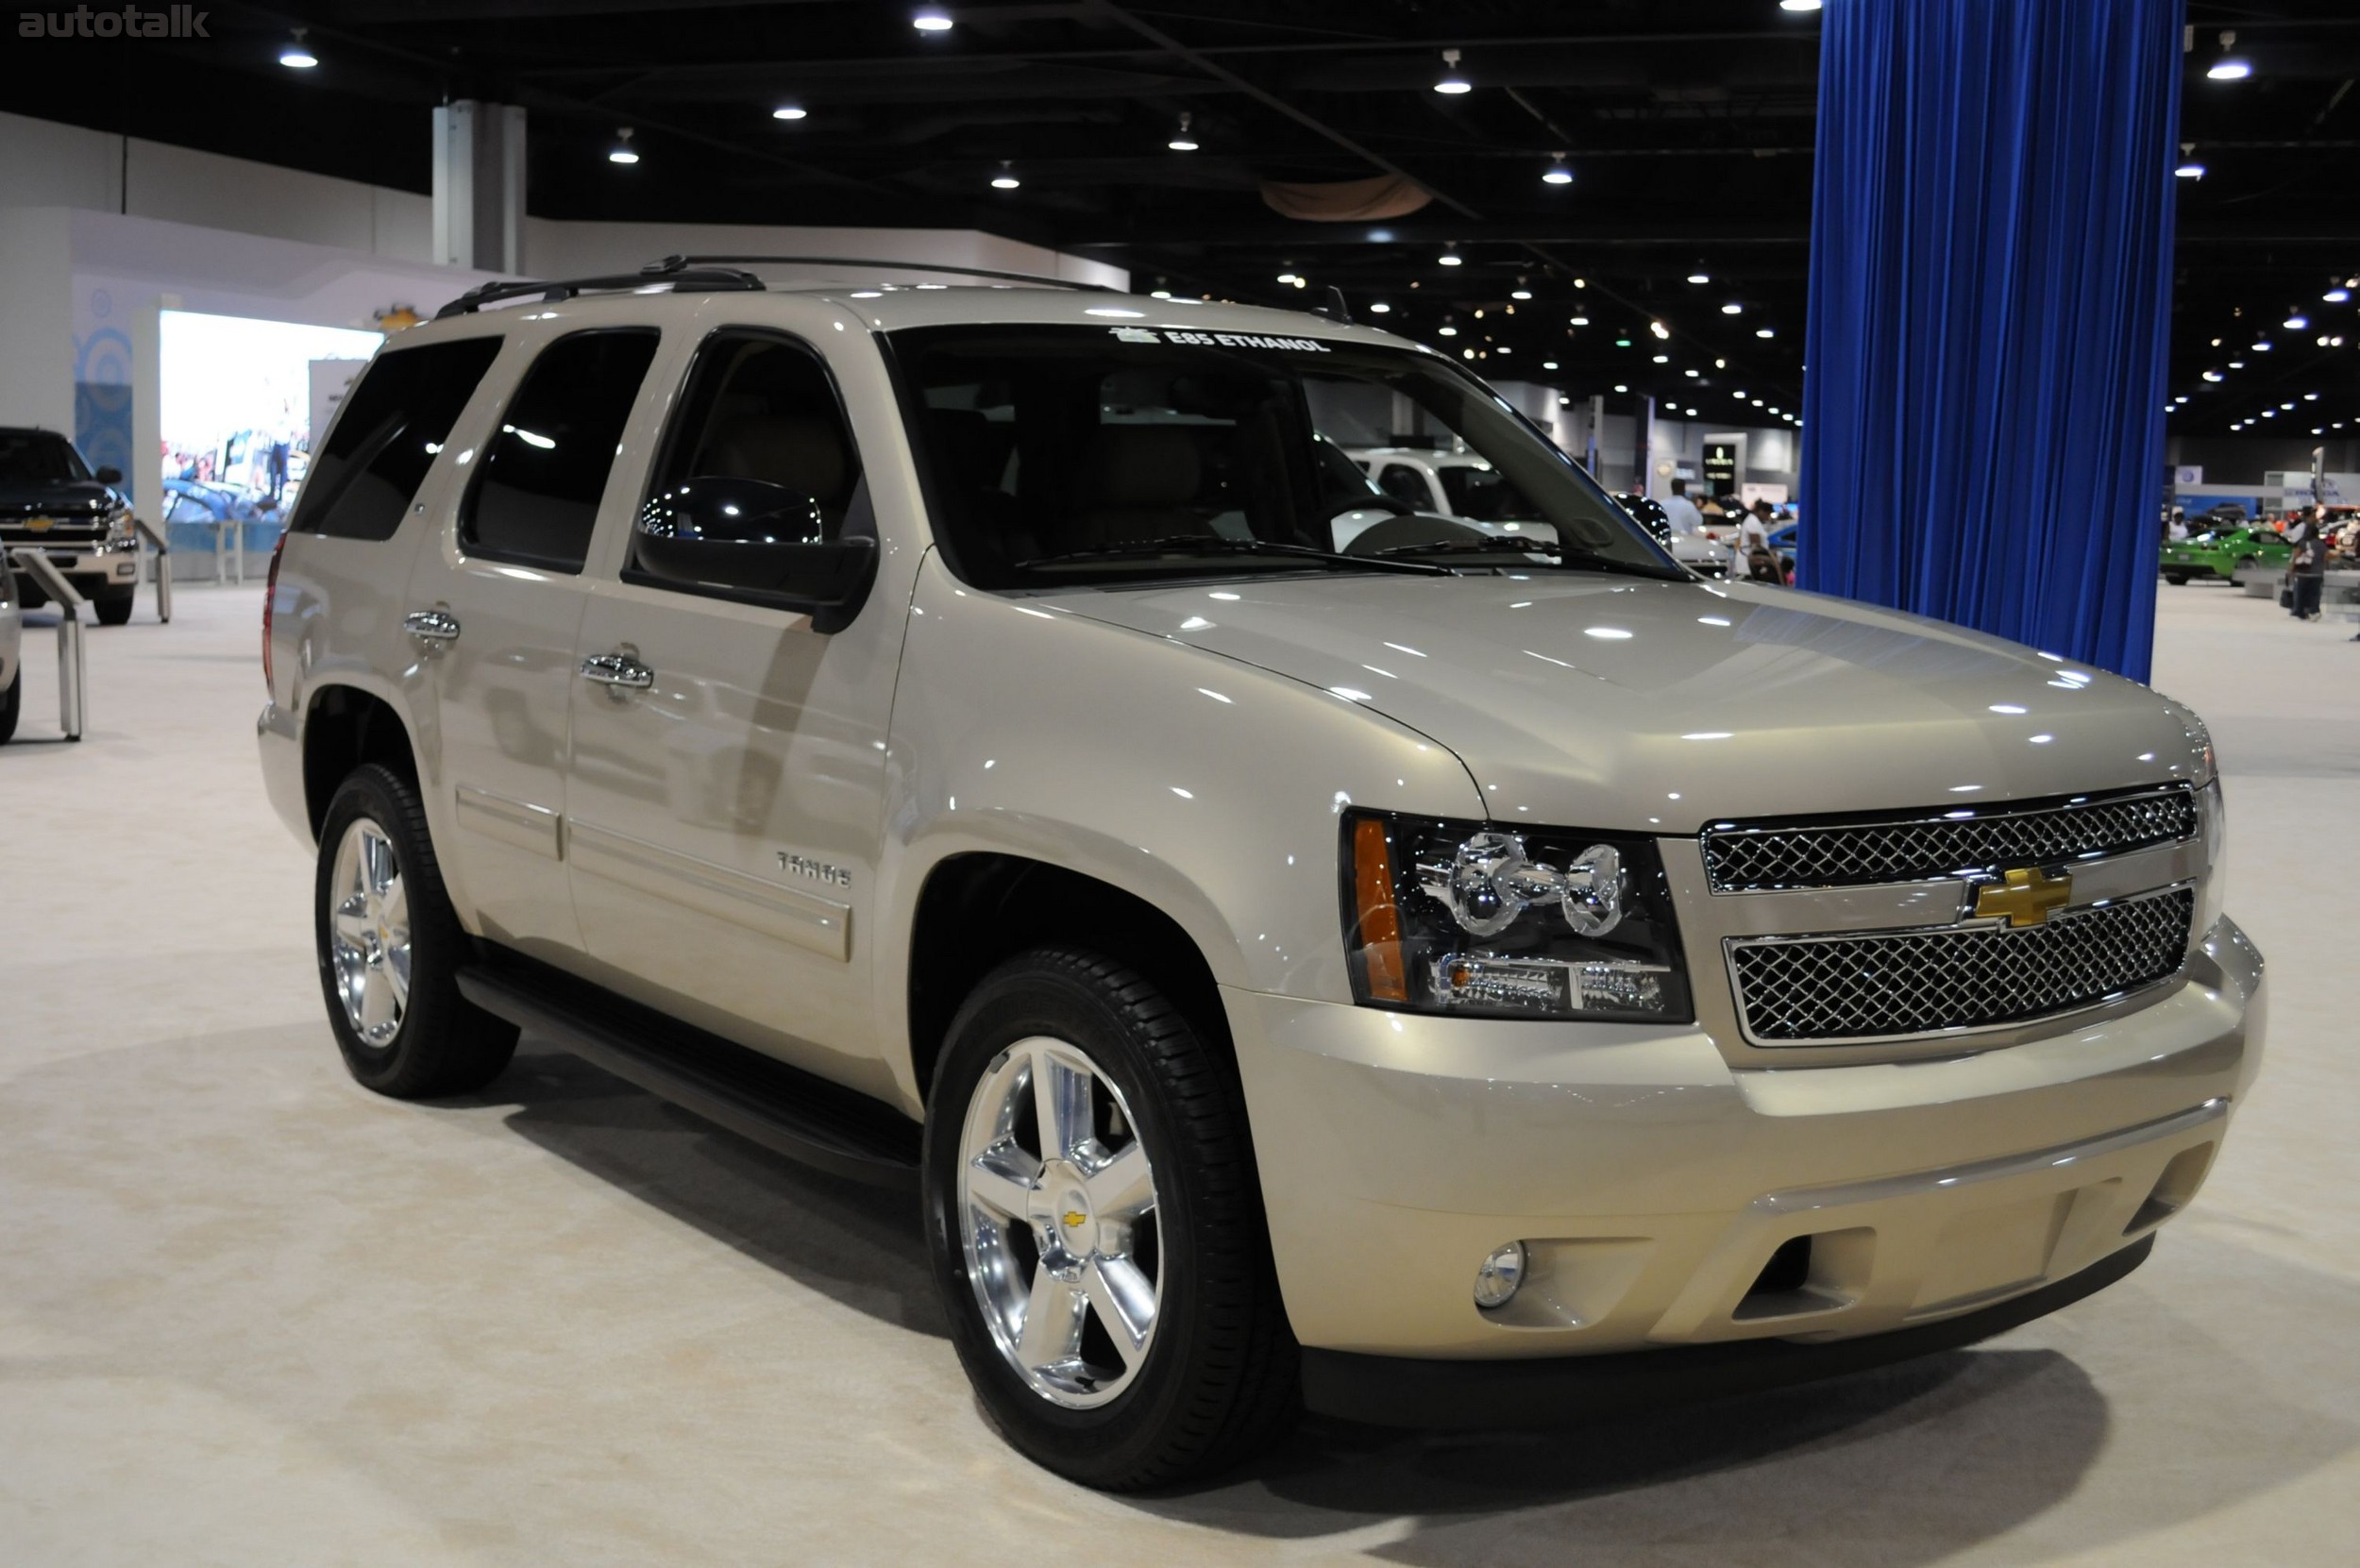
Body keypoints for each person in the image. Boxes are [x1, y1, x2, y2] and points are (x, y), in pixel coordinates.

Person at [2286, 506, 2328, 620]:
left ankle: (2302, 610)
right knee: (2305, 591)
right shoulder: (2301, 529)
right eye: (2313, 516)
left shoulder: (2311, 529)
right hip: (2305, 565)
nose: (2315, 518)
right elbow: (2295, 547)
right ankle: (2302, 610)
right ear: (2307, 516)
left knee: (2302, 590)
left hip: (2306, 566)